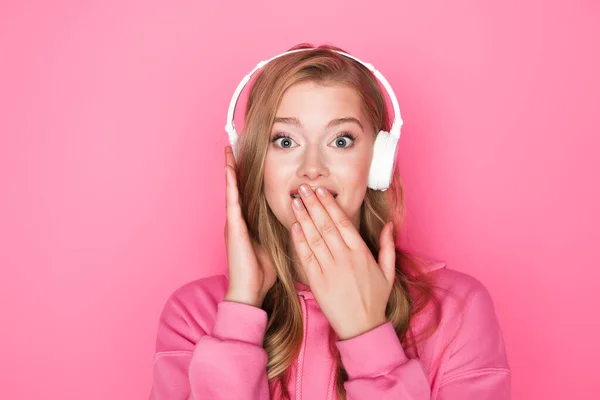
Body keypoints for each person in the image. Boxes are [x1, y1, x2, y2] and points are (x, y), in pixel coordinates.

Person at [148, 43, 511, 400]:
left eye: (341, 140)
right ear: (254, 159)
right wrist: (240, 311)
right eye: (285, 140)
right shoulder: (194, 316)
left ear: (378, 160)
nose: (312, 169)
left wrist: (366, 332)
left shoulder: (458, 309)